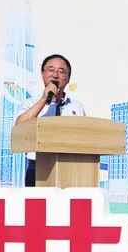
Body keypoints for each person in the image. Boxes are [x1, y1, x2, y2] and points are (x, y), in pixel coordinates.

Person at [15, 54, 86, 187]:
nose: (55, 75)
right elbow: (19, 128)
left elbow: (84, 137)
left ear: (68, 78)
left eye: (61, 71)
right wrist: (44, 100)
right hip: (37, 168)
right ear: (42, 74)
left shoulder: (76, 107)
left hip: (69, 167)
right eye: (51, 70)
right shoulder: (31, 103)